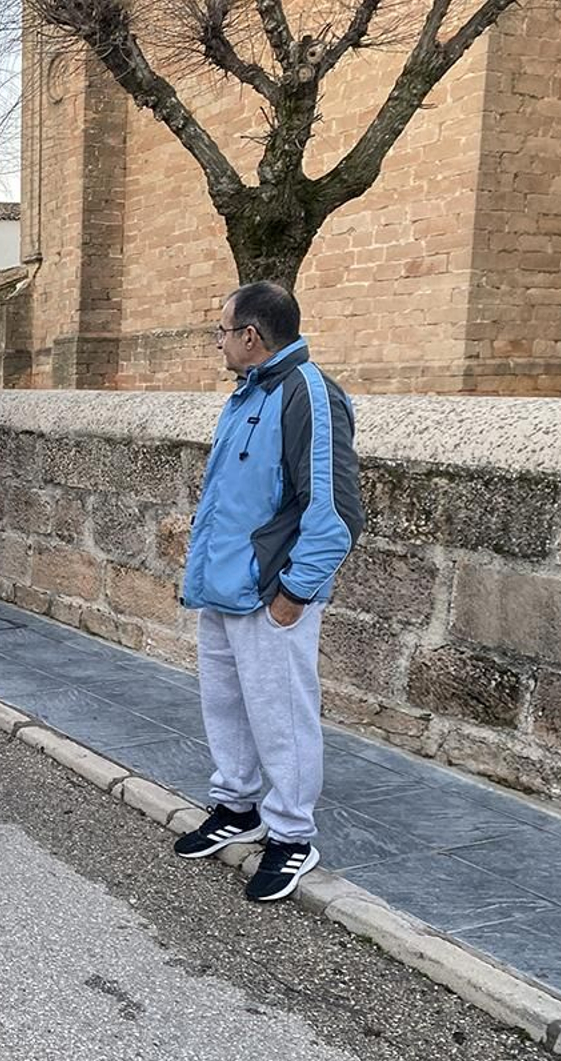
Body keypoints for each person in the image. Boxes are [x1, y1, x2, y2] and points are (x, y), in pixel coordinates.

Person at [174, 281, 365, 903]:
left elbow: (336, 513)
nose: (219, 342)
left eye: (222, 331)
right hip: (224, 586)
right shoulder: (249, 392)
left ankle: (291, 836)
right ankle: (237, 807)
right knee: (227, 705)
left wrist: (293, 594)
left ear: (251, 336)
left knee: (282, 717)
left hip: (269, 593)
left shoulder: (308, 394)